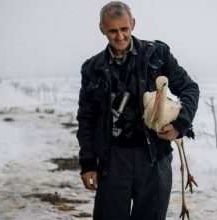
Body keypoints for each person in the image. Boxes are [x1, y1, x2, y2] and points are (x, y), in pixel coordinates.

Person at [76, 1, 199, 219]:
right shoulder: (92, 68)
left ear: (133, 24)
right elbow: (87, 119)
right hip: (113, 160)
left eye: (124, 29)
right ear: (102, 29)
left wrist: (180, 125)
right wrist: (88, 164)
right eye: (112, 31)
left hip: (154, 158)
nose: (120, 36)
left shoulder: (157, 54)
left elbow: (189, 88)